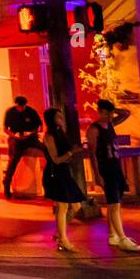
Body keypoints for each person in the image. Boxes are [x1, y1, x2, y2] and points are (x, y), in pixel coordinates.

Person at [87, 99, 140, 252]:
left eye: (111, 113)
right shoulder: (94, 129)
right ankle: (122, 237)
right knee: (114, 203)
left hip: (115, 166)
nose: (111, 116)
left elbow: (127, 113)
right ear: (101, 112)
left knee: (116, 202)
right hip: (106, 169)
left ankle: (113, 234)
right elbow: (92, 154)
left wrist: (113, 110)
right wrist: (97, 175)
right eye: (107, 113)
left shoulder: (110, 124)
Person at [41, 107, 86, 252]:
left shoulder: (60, 133)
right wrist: (71, 152)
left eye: (61, 117)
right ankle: (64, 240)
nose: (61, 119)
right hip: (56, 173)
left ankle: (60, 233)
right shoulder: (49, 136)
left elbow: (65, 155)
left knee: (76, 205)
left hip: (65, 172)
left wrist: (74, 151)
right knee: (63, 207)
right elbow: (56, 159)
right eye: (58, 117)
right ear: (52, 119)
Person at [2, 95, 44, 199]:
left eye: (22, 107)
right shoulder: (10, 112)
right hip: (16, 138)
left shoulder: (31, 112)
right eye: (18, 107)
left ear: (25, 105)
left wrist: (31, 133)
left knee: (46, 150)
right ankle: (7, 184)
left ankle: (49, 185)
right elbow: (5, 129)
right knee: (14, 159)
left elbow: (39, 126)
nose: (20, 109)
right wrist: (14, 135)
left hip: (31, 138)